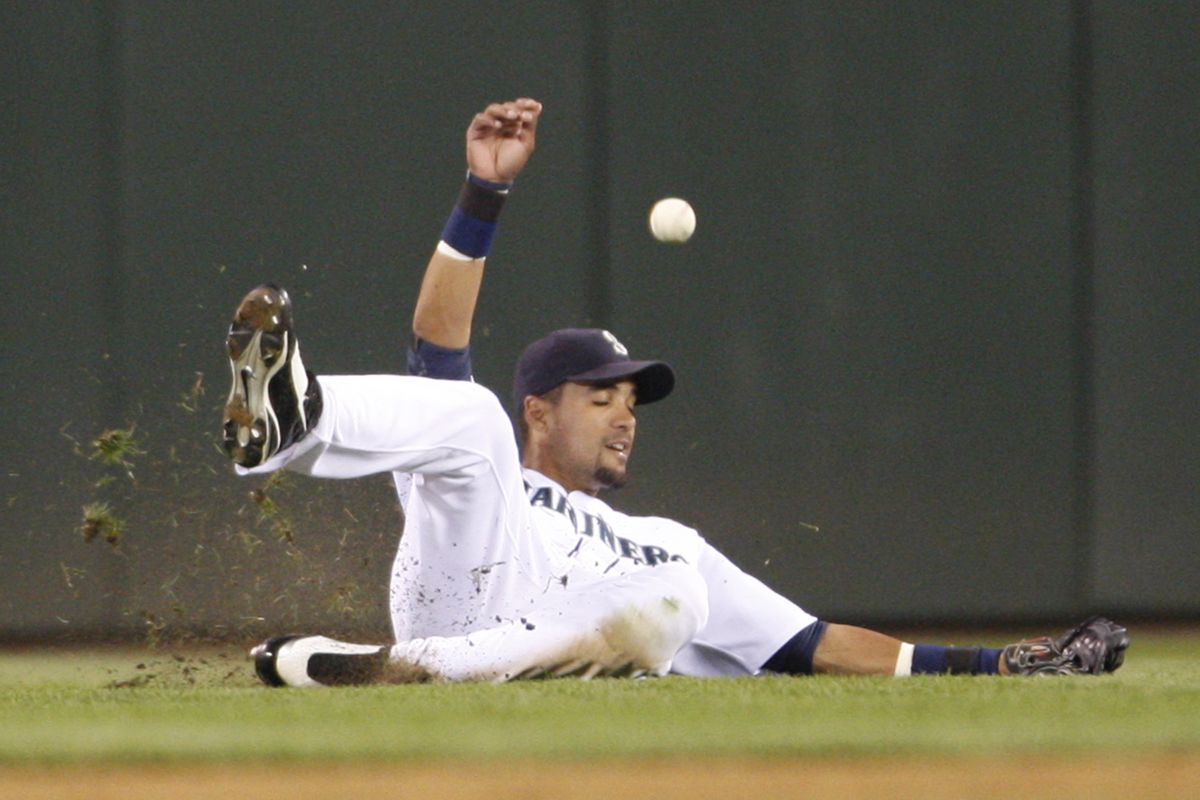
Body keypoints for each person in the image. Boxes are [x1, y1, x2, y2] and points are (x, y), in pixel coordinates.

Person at [222, 98, 1128, 686]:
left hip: (545, 642)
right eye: (601, 394)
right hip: (461, 586)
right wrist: (482, 194)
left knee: (673, 595)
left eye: (633, 399)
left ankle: (377, 670)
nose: (625, 412)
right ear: (543, 409)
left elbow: (810, 644)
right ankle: (295, 420)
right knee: (460, 411)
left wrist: (1003, 662)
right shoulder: (493, 460)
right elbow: (437, 339)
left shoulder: (662, 540)